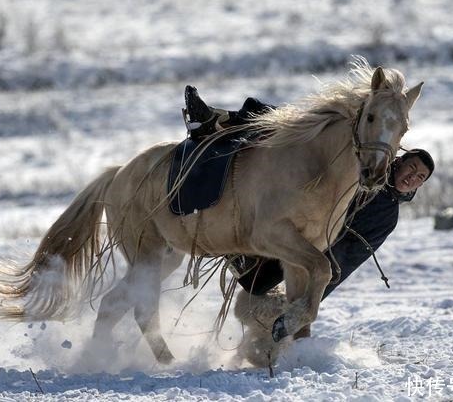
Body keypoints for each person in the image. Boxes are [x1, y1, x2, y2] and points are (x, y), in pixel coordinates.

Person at [182, 85, 434, 338]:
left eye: (420, 177)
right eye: (411, 168)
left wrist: (312, 295)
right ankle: (215, 121)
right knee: (283, 123)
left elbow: (350, 257)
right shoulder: (361, 164)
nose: (413, 178)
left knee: (261, 293)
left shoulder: (386, 215)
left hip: (304, 251)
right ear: (398, 160)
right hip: (291, 223)